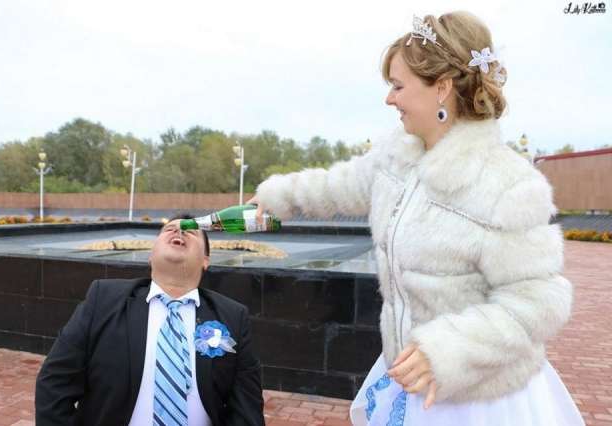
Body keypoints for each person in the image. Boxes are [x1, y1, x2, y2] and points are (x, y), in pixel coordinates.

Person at [248, 11, 583, 426]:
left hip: (476, 400)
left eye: (398, 86)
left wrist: (446, 350)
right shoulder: (397, 156)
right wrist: (277, 196)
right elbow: (340, 185)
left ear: (441, 88)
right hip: (409, 375)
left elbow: (538, 303)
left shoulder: (507, 184)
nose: (389, 99)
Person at [35, 214, 265, 426]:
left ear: (206, 260)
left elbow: (247, 409)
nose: (179, 232)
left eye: (190, 231)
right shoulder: (103, 300)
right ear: (151, 254)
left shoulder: (233, 317)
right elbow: (55, 381)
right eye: (170, 229)